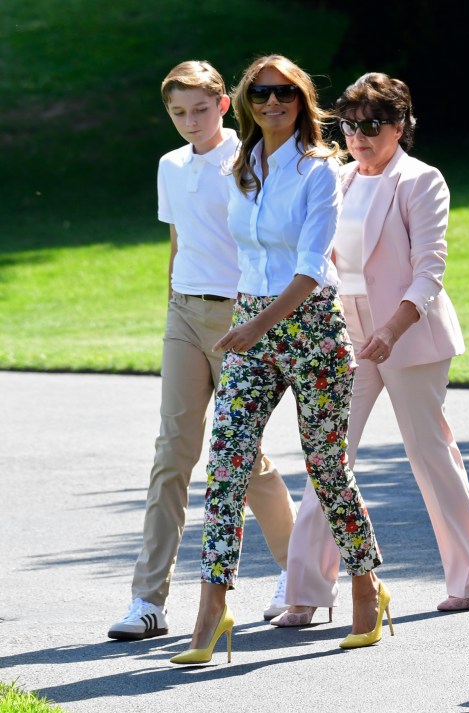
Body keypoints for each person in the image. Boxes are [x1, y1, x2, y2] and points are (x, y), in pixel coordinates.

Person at [170, 55, 390, 665]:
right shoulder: (240, 168)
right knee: (226, 466)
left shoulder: (321, 170)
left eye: (284, 93)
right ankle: (212, 609)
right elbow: (232, 250)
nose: (272, 103)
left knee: (325, 468)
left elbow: (312, 266)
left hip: (312, 327)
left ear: (301, 100)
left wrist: (257, 325)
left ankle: (367, 587)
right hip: (251, 325)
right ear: (245, 101)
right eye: (261, 93)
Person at [270, 72, 469, 628]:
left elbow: (429, 271)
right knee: (329, 457)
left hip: (409, 333)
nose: (358, 136)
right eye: (348, 125)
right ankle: (304, 590)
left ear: (399, 125)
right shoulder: (336, 178)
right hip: (343, 332)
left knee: (428, 450)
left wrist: (392, 329)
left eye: (371, 125)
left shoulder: (421, 181)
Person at [108, 60, 296, 642]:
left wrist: (259, 318)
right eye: (177, 112)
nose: (189, 121)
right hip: (184, 315)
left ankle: (302, 576)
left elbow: (272, 240)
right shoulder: (169, 165)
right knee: (172, 454)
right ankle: (148, 600)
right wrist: (171, 303)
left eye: (199, 109)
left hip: (241, 315)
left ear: (222, 104)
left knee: (243, 456)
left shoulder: (248, 158)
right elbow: (178, 241)